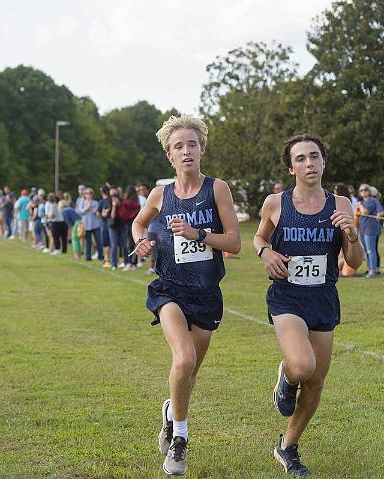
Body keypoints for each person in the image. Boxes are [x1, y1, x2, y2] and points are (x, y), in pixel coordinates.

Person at [131, 115, 240, 476]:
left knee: (189, 374)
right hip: (170, 289)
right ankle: (180, 439)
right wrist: (141, 242)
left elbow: (234, 243)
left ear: (202, 149)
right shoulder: (160, 195)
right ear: (169, 155)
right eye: (179, 146)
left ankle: (169, 412)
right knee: (183, 359)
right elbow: (139, 222)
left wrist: (198, 234)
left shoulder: (218, 189)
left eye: (192, 144)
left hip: (207, 293)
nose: (186, 151)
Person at [253, 134, 362, 477]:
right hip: (287, 296)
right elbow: (259, 236)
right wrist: (265, 252)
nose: (309, 163)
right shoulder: (276, 203)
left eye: (314, 156)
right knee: (302, 366)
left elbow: (355, 262)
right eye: (300, 159)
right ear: (291, 168)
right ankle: (285, 377)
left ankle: (287, 447)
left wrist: (352, 234)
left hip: (324, 297)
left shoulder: (340, 204)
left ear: (324, 162)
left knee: (315, 384)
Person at [355, 184, 382, 278]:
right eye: (361, 190)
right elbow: (357, 215)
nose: (363, 191)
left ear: (369, 191)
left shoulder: (372, 201)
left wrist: (359, 205)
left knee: (371, 251)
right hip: (363, 229)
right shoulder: (362, 202)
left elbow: (365, 212)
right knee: (366, 251)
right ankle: (370, 269)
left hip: (371, 229)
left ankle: (373, 271)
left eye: (365, 189)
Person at [77, 187, 103, 262]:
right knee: (88, 242)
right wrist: (86, 208)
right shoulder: (82, 202)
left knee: (98, 241)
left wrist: (91, 209)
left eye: (90, 193)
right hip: (86, 225)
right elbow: (80, 212)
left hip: (95, 225)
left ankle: (100, 256)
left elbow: (97, 212)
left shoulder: (95, 202)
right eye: (86, 193)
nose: (88, 195)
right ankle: (88, 257)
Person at [122, 186, 142, 269]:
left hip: (127, 223)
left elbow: (123, 213)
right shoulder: (137, 203)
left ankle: (128, 262)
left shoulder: (125, 202)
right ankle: (134, 262)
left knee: (128, 244)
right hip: (135, 223)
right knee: (135, 243)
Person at [98, 185, 112, 268]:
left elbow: (99, 214)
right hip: (112, 224)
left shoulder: (103, 201)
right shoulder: (111, 200)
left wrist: (102, 214)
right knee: (113, 243)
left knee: (106, 243)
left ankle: (107, 260)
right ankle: (112, 260)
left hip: (105, 224)